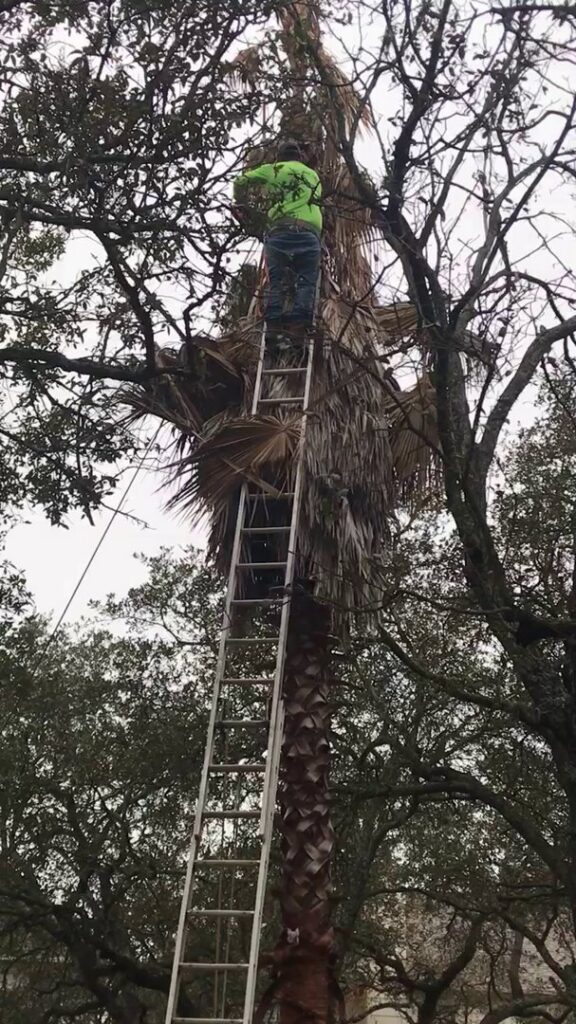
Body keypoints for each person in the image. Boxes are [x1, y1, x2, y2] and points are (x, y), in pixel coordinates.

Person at [233, 140, 322, 338]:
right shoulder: (312, 175)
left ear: (279, 157)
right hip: (309, 233)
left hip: (279, 231)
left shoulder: (273, 169)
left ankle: (273, 329)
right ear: (300, 158)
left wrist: (241, 204)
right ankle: (299, 330)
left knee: (277, 281)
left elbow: (240, 182)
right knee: (307, 281)